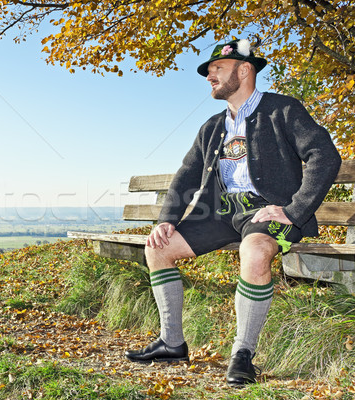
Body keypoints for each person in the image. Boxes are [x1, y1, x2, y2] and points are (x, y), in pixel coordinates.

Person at [124, 39, 342, 387]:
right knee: (157, 248)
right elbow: (187, 175)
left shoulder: (282, 110)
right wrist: (166, 220)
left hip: (264, 214)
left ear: (244, 70)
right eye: (208, 71)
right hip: (220, 212)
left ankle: (242, 354)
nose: (210, 76)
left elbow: (325, 156)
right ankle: (172, 342)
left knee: (254, 253)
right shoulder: (212, 127)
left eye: (217, 69)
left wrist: (295, 209)